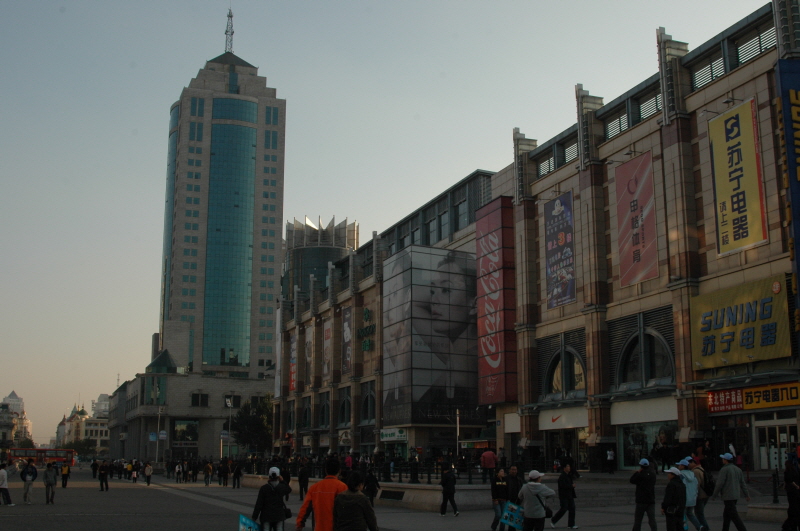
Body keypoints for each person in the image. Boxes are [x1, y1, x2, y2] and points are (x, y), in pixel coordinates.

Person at [297, 459, 348, 531]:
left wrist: (300, 524)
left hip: (319, 528)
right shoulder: (343, 487)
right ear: (339, 471)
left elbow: (305, 508)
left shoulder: (314, 488)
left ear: (325, 470)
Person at [712, 452, 749, 531]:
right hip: (735, 495)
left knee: (734, 516)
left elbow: (719, 483)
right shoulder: (738, 469)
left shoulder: (724, 469)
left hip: (727, 495)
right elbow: (743, 483)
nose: (722, 460)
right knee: (727, 514)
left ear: (726, 460)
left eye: (723, 459)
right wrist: (746, 494)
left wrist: (714, 495)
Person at [253, 467, 292, 531]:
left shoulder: (264, 488)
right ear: (278, 476)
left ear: (269, 476)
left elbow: (259, 504)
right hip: (279, 515)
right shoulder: (281, 487)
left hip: (266, 516)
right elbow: (289, 489)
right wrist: (282, 481)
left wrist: (254, 517)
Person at [630, 458, 657, 531]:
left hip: (641, 500)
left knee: (638, 520)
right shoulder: (653, 474)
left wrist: (637, 472)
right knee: (652, 519)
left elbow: (631, 480)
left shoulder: (640, 475)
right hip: (651, 500)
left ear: (641, 466)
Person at [550, 463, 578, 529]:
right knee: (563, 509)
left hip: (570, 495)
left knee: (572, 509)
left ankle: (571, 524)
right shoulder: (562, 476)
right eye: (567, 466)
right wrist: (571, 486)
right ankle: (553, 520)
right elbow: (563, 486)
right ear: (564, 468)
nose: (569, 468)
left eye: (569, 466)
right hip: (564, 496)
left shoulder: (569, 475)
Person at [676, 459, 700, 531]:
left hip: (684, 499)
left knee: (683, 516)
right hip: (692, 499)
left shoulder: (681, 475)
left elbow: (680, 488)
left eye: (679, 465)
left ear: (683, 466)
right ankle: (700, 527)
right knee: (691, 514)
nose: (678, 466)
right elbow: (696, 486)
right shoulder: (693, 475)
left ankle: (685, 529)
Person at [689, 457, 711, 531]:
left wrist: (694, 495)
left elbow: (697, 485)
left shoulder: (695, 471)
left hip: (700, 496)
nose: (688, 465)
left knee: (699, 514)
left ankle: (705, 529)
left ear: (693, 463)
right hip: (705, 494)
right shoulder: (701, 468)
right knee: (699, 513)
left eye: (689, 463)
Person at [784, 459, 800, 531]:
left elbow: (789, 480)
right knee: (795, 507)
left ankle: (789, 525)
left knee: (792, 507)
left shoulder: (787, 472)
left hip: (791, 491)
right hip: (795, 491)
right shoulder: (795, 471)